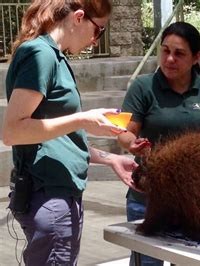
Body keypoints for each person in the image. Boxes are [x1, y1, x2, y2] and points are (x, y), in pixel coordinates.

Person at [3, 0, 139, 265]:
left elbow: (55, 139)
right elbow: (13, 131)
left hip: (58, 198)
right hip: (50, 199)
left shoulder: (54, 56)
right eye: (98, 30)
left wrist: (109, 158)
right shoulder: (40, 54)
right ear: (78, 18)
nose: (95, 41)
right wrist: (82, 119)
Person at [117, 21, 200, 265]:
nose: (169, 59)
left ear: (196, 57)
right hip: (149, 199)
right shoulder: (142, 87)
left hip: (197, 199)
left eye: (179, 53)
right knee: (148, 262)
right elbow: (124, 132)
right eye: (165, 51)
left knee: (190, 261)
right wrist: (132, 145)